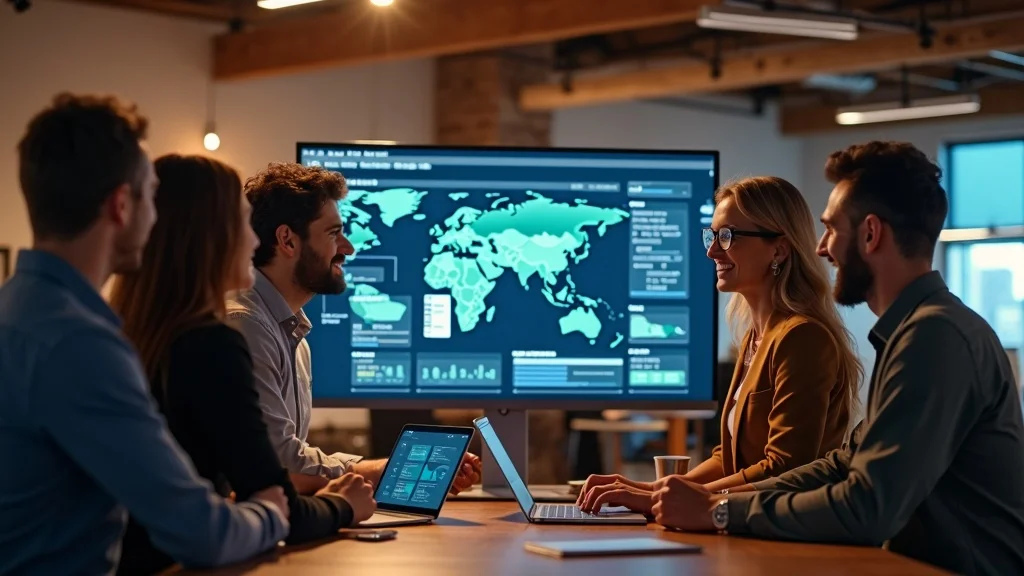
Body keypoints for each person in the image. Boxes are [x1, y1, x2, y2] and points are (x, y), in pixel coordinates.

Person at [646, 141, 1024, 576]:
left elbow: (866, 507)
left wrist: (719, 511)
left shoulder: (935, 337)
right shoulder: (914, 331)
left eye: (830, 229)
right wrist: (714, 502)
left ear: (870, 234)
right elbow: (842, 464)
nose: (821, 248)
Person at [0, 93, 290, 575]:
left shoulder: (16, 309)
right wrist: (269, 513)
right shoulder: (79, 344)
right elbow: (201, 532)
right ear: (121, 206)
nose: (156, 217)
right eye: (150, 196)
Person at [107, 154, 378, 575]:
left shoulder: (130, 335)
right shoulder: (215, 342)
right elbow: (279, 502)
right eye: (241, 225)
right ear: (213, 239)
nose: (254, 242)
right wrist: (342, 504)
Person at [578, 176, 862, 513]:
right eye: (712, 236)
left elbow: (784, 467)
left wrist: (666, 500)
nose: (712, 250)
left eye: (728, 236)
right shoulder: (756, 336)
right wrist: (653, 489)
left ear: (779, 249)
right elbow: (729, 458)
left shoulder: (803, 337)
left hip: (780, 528)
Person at [227, 162, 482, 493]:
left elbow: (291, 458)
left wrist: (400, 469)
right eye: (333, 234)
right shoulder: (246, 328)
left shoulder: (292, 334)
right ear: (287, 240)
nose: (347, 248)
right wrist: (391, 470)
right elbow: (280, 464)